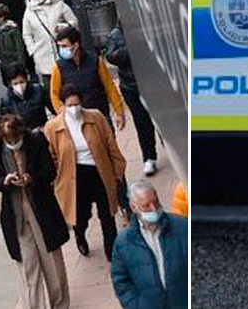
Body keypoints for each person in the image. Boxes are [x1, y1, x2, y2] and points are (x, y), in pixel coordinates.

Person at [0, 114, 70, 309]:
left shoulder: (36, 141)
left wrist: (32, 179)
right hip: (16, 215)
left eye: (16, 139)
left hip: (41, 209)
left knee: (52, 264)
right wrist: (5, 181)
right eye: (9, 140)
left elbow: (50, 171)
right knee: (27, 267)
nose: (13, 143)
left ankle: (61, 304)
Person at [44, 87, 125, 262]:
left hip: (99, 172)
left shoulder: (95, 117)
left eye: (77, 104)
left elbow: (110, 143)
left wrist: (118, 170)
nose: (74, 108)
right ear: (63, 105)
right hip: (75, 177)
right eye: (70, 105)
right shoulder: (53, 127)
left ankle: (112, 252)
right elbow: (51, 156)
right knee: (81, 215)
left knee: (107, 214)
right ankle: (80, 235)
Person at [109, 180, 187, 309]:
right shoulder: (123, 242)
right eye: (146, 205)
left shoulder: (183, 227)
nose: (153, 209)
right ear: (134, 207)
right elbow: (121, 280)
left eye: (155, 202)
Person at [104, 22, 158, 176]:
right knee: (142, 123)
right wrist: (132, 49)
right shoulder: (115, 35)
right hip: (131, 86)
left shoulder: (145, 25)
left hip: (153, 82)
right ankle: (149, 158)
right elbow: (111, 56)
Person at [47, 25, 125, 131]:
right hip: (76, 119)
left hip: (100, 115)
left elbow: (109, 86)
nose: (61, 50)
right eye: (60, 46)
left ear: (76, 45)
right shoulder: (58, 67)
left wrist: (119, 112)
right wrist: (62, 111)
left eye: (64, 46)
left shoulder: (95, 61)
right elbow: (54, 94)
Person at [21, 0, 77, 97]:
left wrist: (64, 27)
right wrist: (33, 50)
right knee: (51, 90)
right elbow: (27, 33)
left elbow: (74, 21)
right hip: (42, 55)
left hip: (63, 52)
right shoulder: (29, 11)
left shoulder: (59, 4)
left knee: (70, 85)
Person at [0, 4, 29, 80]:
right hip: (2, 63)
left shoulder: (13, 30)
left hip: (13, 62)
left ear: (2, 17)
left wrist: (21, 64)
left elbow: (20, 49)